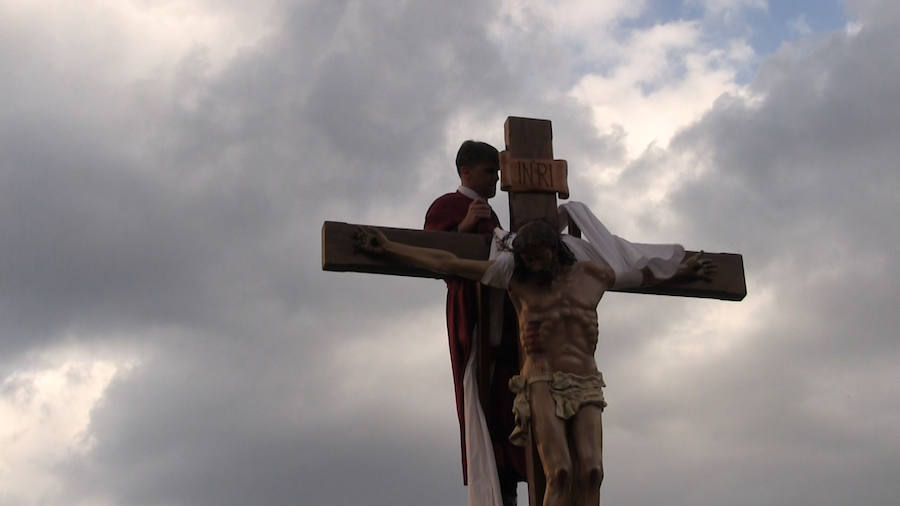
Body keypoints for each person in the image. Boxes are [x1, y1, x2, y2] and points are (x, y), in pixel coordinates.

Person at [354, 221, 715, 506]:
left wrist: (686, 271)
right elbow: (449, 263)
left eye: (538, 256)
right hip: (540, 378)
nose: (532, 264)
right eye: (525, 257)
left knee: (592, 472)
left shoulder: (594, 276)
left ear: (554, 250)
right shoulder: (516, 280)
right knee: (559, 472)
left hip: (586, 379)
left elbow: (644, 275)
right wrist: (389, 248)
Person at [424, 140, 525, 506]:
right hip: (474, 312)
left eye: (497, 172)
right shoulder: (447, 205)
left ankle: (511, 474)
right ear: (466, 171)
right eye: (488, 171)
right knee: (480, 393)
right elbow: (434, 256)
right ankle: (496, 484)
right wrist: (463, 228)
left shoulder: (495, 216)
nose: (495, 179)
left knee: (508, 399)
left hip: (504, 315)